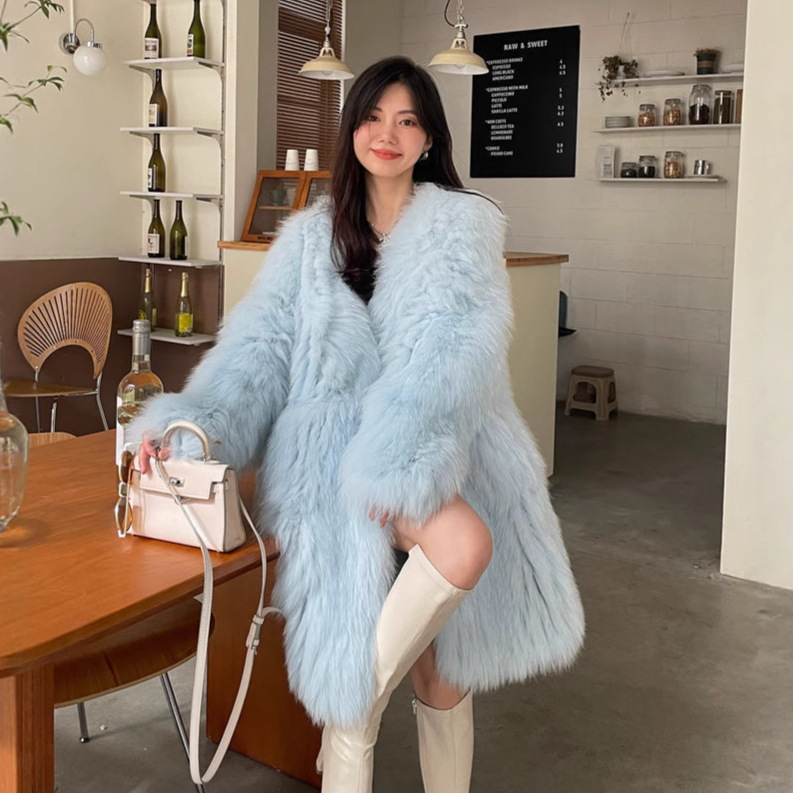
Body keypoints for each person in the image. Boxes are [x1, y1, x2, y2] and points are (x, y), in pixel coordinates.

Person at [133, 56, 584, 793]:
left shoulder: (461, 228)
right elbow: (259, 351)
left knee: (444, 664)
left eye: (407, 121)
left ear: (429, 139)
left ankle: (351, 716)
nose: (387, 134)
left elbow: (454, 359)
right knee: (441, 593)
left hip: (432, 449)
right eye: (373, 117)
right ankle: (353, 721)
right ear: (351, 130)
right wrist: (192, 426)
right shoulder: (309, 240)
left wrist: (395, 461)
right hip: (327, 467)